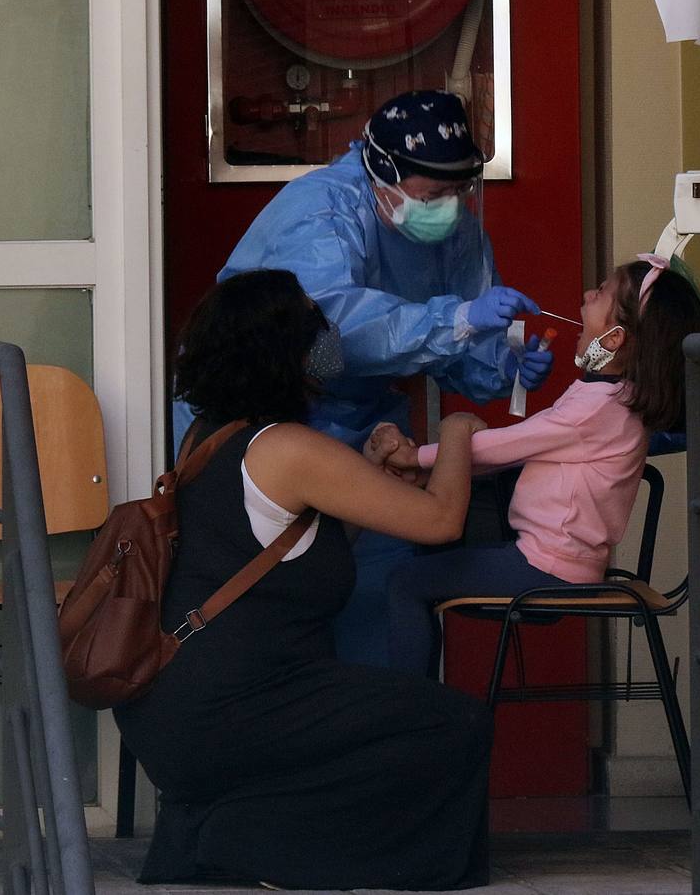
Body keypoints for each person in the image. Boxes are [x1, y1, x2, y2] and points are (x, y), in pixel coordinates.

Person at [115, 268, 494, 890]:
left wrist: (368, 472)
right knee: (450, 723)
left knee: (388, 715)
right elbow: (442, 521)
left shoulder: (211, 438)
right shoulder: (287, 446)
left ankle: (220, 832)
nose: (328, 339)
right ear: (283, 350)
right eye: (311, 325)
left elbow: (289, 553)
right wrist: (455, 431)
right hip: (235, 707)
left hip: (174, 710)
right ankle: (258, 846)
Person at [173, 89, 555, 666]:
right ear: (382, 172)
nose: (448, 208)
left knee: (380, 597)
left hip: (365, 424)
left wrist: (504, 368)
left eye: (458, 191)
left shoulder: (459, 233)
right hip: (264, 420)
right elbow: (329, 333)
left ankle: (378, 735)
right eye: (431, 195)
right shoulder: (320, 210)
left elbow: (457, 349)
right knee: (273, 598)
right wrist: (452, 324)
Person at [370, 255, 700, 676]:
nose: (587, 294)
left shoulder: (597, 405)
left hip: (543, 567)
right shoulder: (615, 399)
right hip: (560, 563)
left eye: (601, 292)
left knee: (406, 581)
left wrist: (414, 456)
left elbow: (505, 446)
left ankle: (407, 715)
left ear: (616, 339)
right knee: (425, 565)